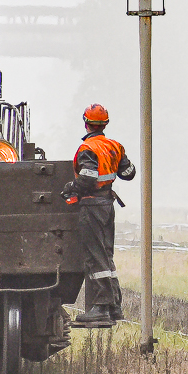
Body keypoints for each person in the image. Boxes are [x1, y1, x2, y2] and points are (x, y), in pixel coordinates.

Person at [66, 103, 135, 329]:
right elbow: (128, 173)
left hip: (92, 206)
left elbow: (87, 177)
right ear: (105, 124)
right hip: (108, 205)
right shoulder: (115, 146)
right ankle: (115, 306)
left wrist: (71, 187)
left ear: (86, 122)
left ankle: (100, 307)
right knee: (106, 255)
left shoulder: (88, 149)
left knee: (95, 256)